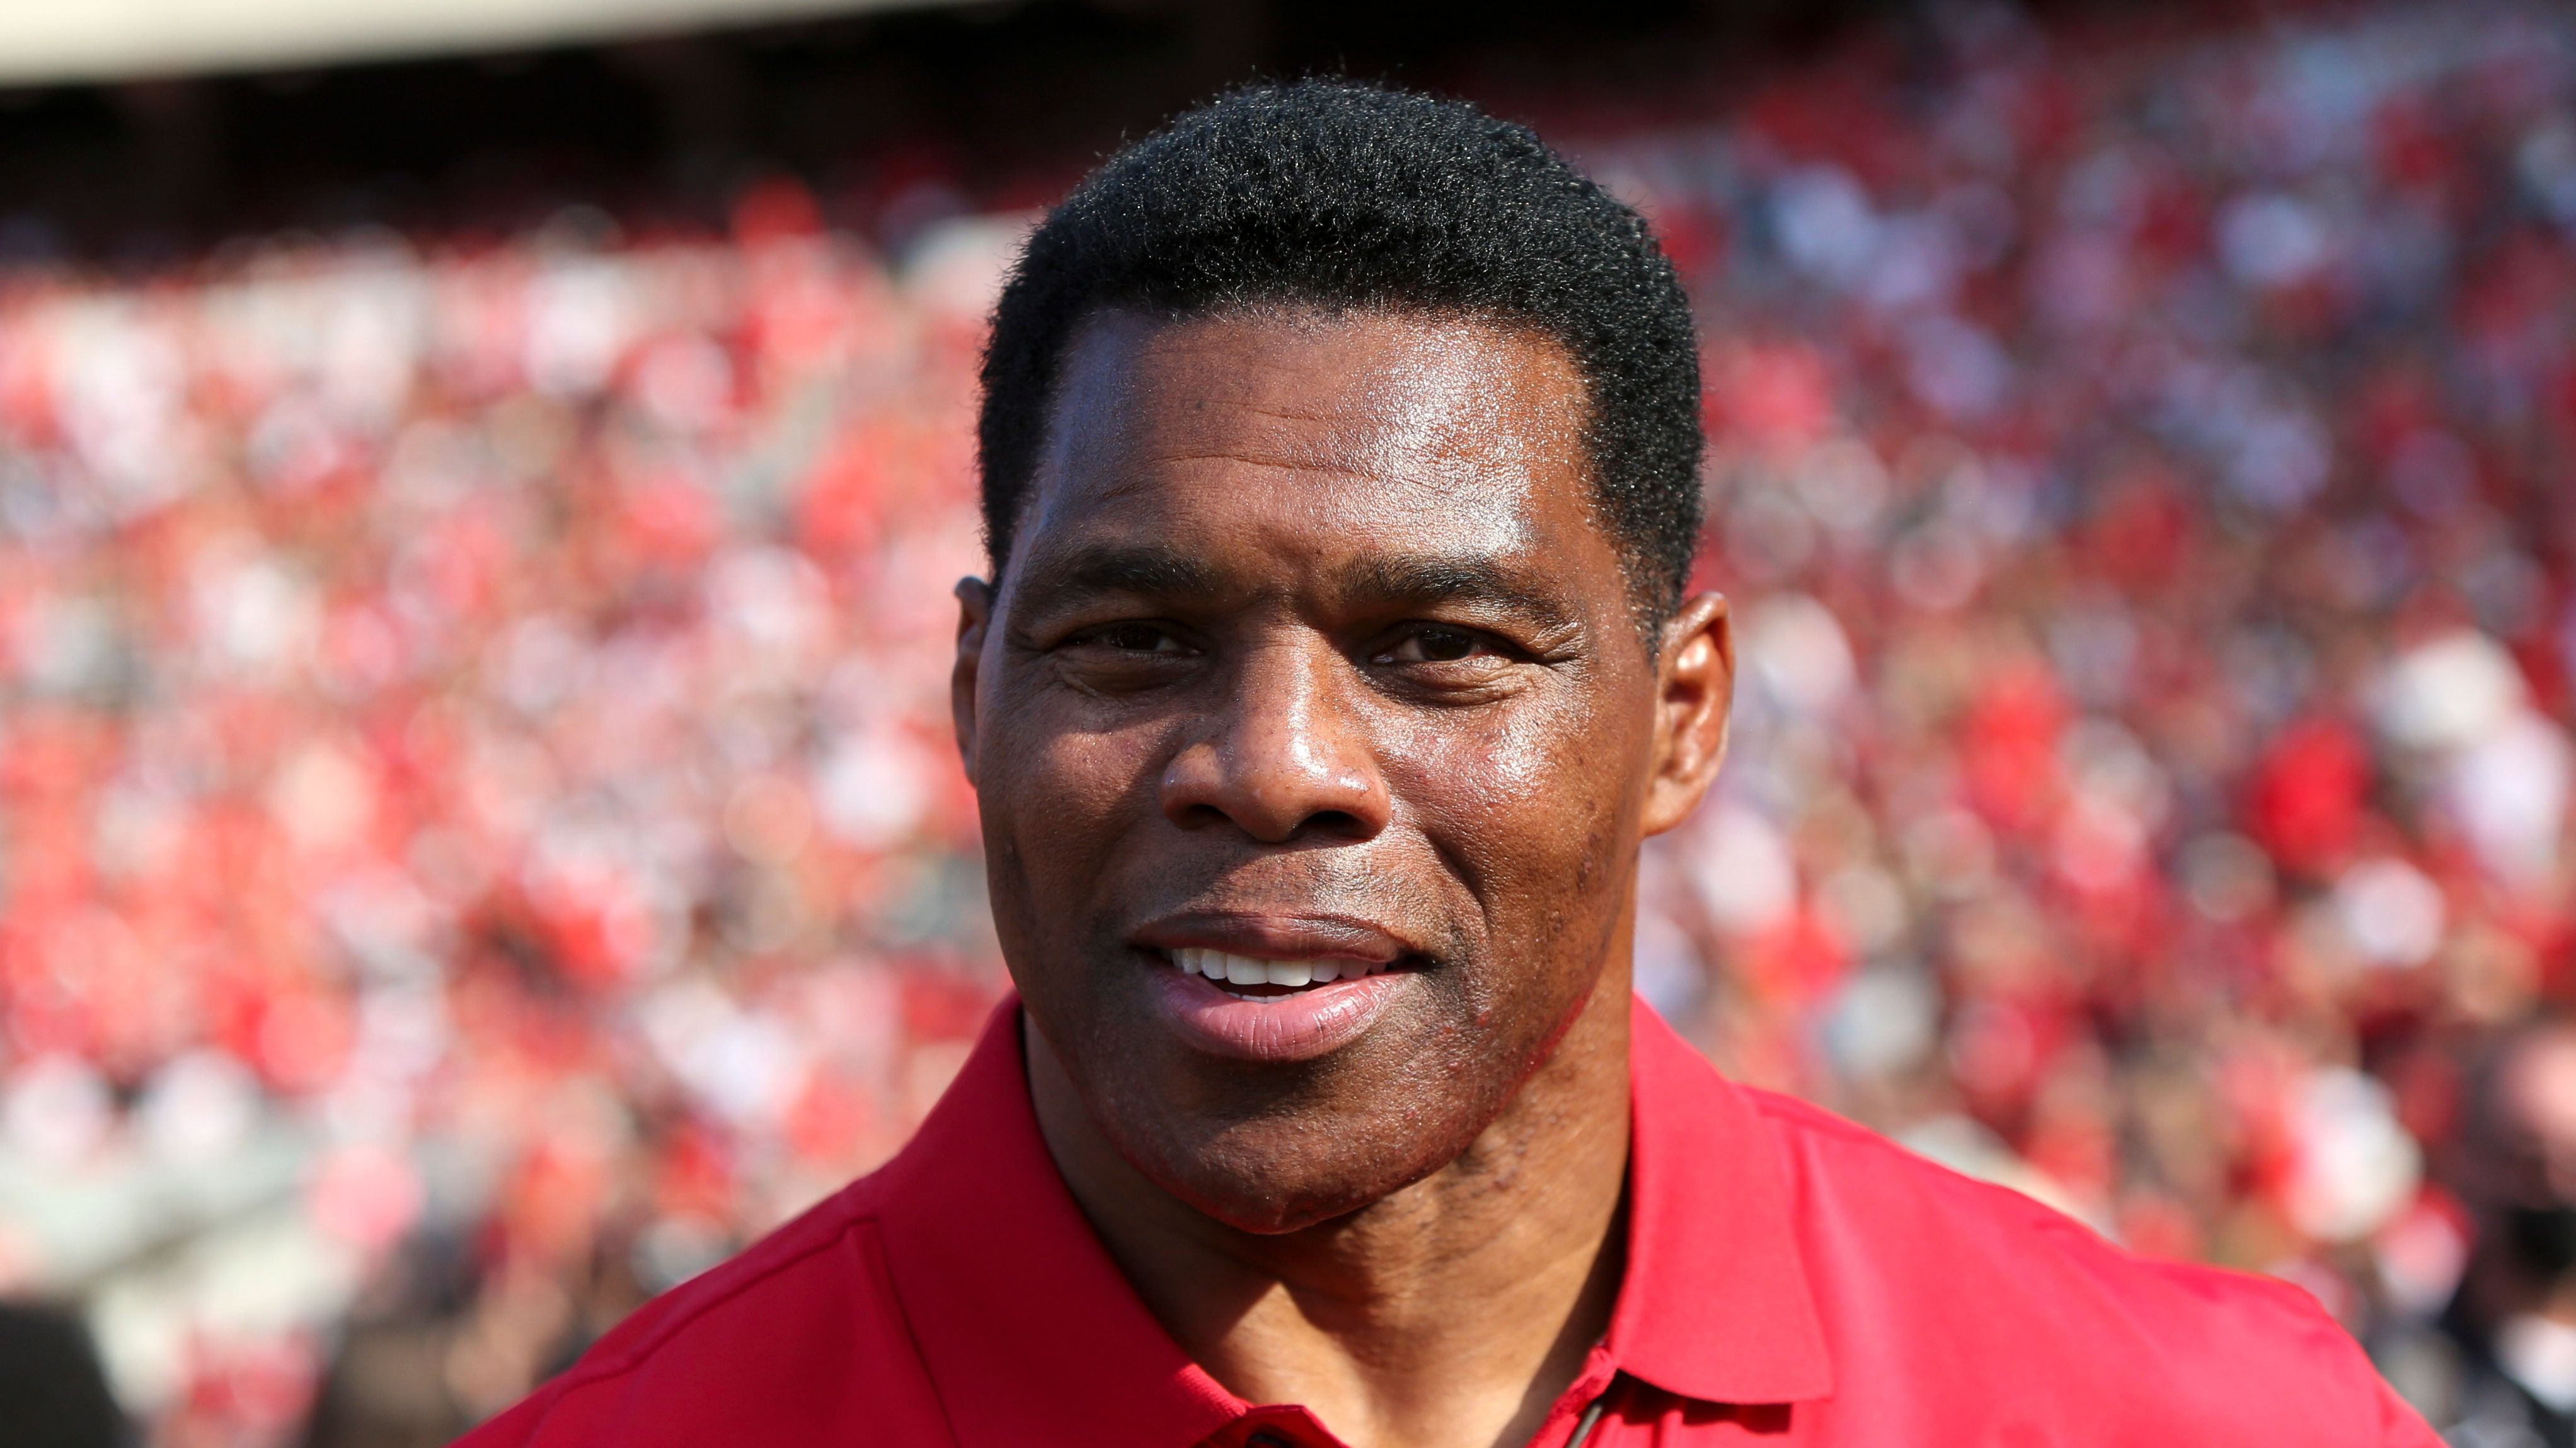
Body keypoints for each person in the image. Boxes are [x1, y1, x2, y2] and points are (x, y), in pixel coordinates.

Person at [452, 80, 2437, 1447]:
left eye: (1443, 651)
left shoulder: (2192, 1414)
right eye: (1132, 639)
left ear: (1678, 720)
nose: (1278, 764)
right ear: (974, 688)